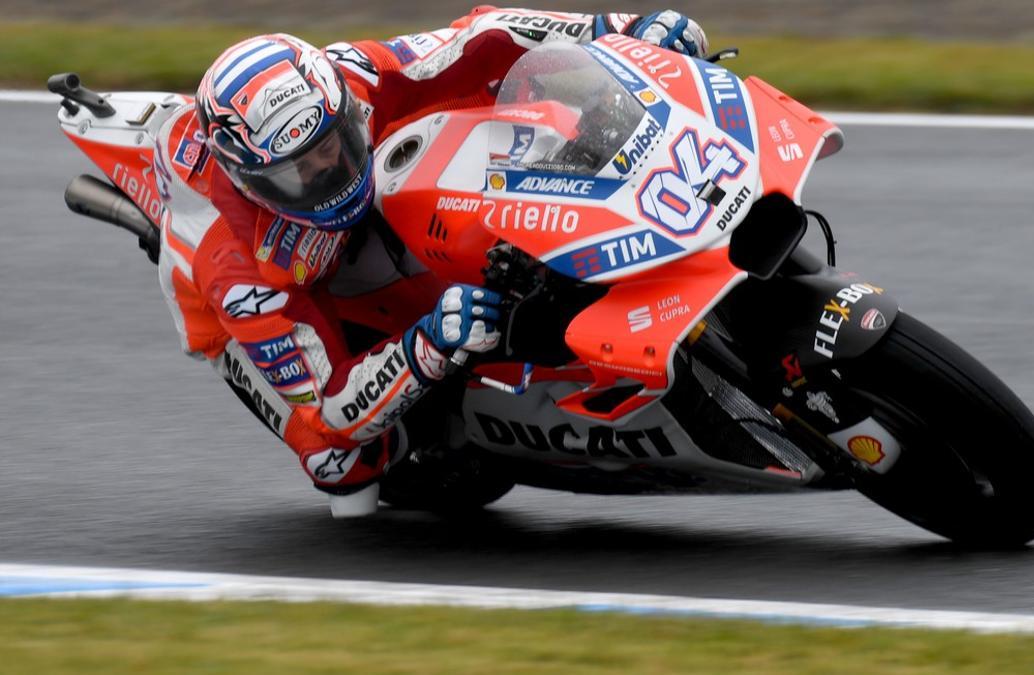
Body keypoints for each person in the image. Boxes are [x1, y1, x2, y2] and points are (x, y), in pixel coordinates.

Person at [151, 7, 709, 518]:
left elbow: (477, 36)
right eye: (304, 171)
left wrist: (614, 28)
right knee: (343, 465)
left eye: (338, 142)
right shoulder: (235, 268)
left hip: (360, 225)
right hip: (270, 291)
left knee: (496, 105)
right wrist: (428, 347)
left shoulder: (351, 74)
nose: (333, 170)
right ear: (252, 180)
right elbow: (332, 407)